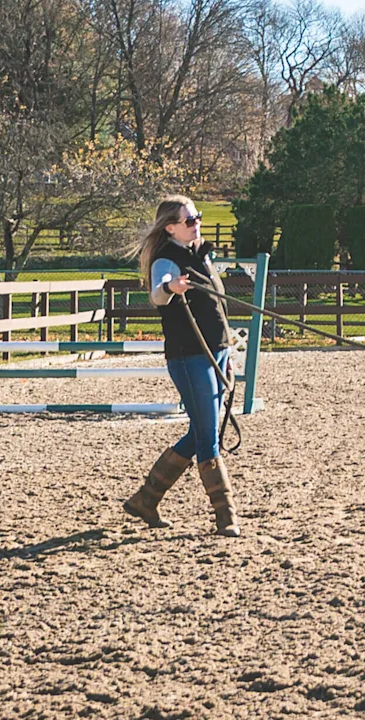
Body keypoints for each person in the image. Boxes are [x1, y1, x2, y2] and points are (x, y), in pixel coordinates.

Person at [119, 195, 243, 536]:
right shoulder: (166, 259)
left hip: (214, 352)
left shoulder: (200, 257)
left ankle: (146, 498)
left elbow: (216, 311)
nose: (197, 224)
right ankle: (225, 515)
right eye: (189, 221)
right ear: (170, 227)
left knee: (201, 431)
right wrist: (171, 287)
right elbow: (158, 295)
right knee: (207, 436)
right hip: (189, 356)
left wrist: (227, 352)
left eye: (197, 218)